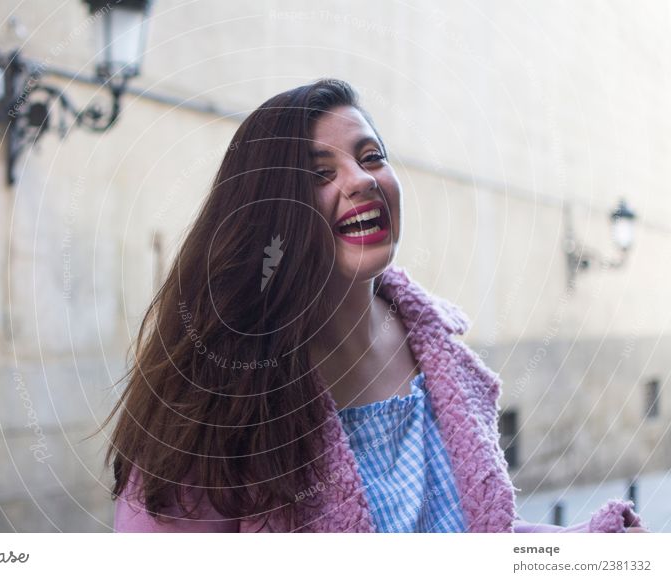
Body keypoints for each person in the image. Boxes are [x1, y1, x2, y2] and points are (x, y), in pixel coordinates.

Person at [103, 78, 645, 533]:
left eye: (372, 157)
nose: (362, 180)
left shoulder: (438, 355)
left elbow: (474, 532)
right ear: (264, 216)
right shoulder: (215, 395)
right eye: (320, 173)